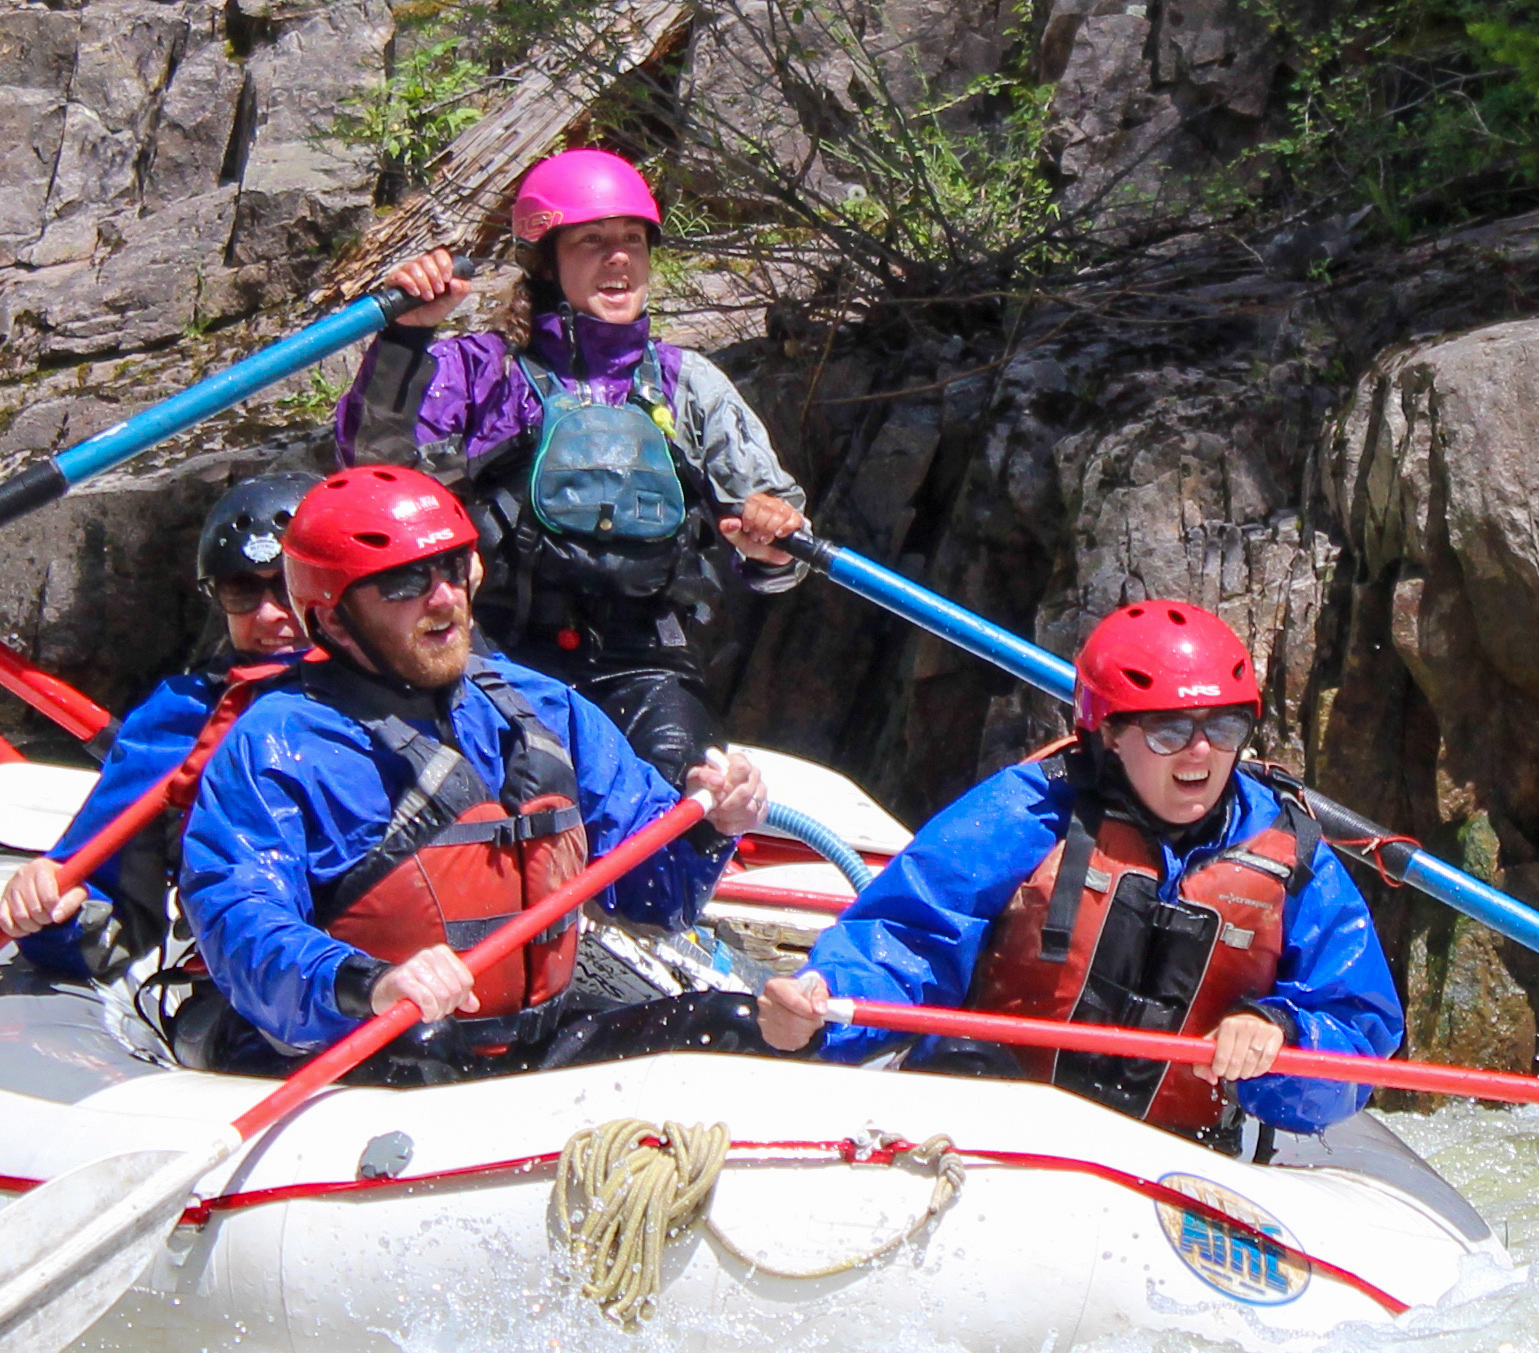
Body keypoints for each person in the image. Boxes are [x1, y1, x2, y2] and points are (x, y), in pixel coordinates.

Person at [176, 463, 778, 1080]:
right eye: (404, 581)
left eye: (454, 567)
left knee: (733, 1026)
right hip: (357, 1046)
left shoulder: (543, 709)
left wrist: (711, 829)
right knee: (428, 1055)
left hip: (526, 1040)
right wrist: (369, 983)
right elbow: (240, 918)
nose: (444, 598)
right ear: (331, 619)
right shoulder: (278, 743)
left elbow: (657, 899)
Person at [754, 599, 1403, 1145]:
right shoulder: (1026, 812)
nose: (1201, 752)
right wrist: (822, 1007)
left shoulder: (1293, 857)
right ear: (1110, 733)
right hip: (991, 1123)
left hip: (1180, 1159)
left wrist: (1281, 1033)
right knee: (966, 1061)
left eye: (1225, 726)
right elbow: (907, 940)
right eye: (1170, 730)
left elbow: (1359, 1030)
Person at [340, 146, 809, 784]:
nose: (619, 257)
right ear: (544, 263)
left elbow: (782, 551)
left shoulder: (689, 385)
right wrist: (406, 336)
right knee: (534, 782)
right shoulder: (481, 371)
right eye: (591, 241)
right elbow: (372, 469)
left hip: (647, 661)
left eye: (633, 240)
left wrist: (772, 547)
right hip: (497, 654)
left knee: (680, 795)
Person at [0, 470, 313, 982]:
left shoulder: (428, 685)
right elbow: (108, 904)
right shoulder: (183, 719)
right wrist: (54, 907)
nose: (269, 616)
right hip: (281, 1011)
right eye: (241, 592)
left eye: (287, 587)